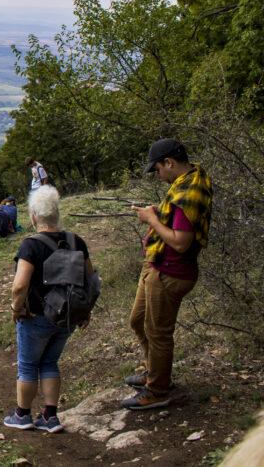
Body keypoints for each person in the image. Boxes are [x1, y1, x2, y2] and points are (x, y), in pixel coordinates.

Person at [124, 138, 212, 410]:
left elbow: (180, 241)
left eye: (158, 169)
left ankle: (159, 389)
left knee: (158, 332)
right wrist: (159, 212)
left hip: (170, 271)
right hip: (156, 264)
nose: (157, 175)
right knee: (137, 321)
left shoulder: (188, 192)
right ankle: (154, 371)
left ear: (170, 163)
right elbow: (176, 217)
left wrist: (151, 219)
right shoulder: (189, 178)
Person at [3, 185, 94, 433]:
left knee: (28, 365)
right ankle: (50, 416)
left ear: (34, 216)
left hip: (36, 317)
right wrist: (85, 311)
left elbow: (19, 286)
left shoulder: (30, 245)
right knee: (50, 362)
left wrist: (15, 309)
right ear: (57, 213)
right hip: (66, 317)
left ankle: (22, 415)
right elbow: (91, 280)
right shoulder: (77, 241)